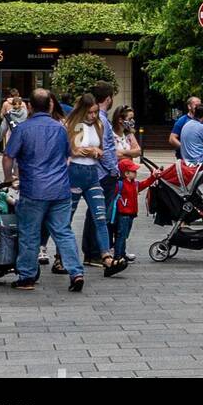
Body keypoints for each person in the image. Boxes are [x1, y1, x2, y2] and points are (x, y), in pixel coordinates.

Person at [3, 88, 86, 292]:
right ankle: (76, 272)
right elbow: (69, 154)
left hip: (33, 189)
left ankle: (27, 276)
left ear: (29, 106)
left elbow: (8, 156)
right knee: (63, 232)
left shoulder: (22, 129)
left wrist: (8, 178)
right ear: (49, 105)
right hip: (59, 189)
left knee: (29, 233)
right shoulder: (60, 128)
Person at [64, 94, 126, 277]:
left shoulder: (99, 125)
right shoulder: (74, 125)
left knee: (100, 216)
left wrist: (92, 153)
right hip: (75, 173)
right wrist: (91, 151)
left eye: (95, 112)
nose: (93, 115)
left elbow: (100, 150)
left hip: (92, 174)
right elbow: (73, 149)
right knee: (67, 216)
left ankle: (106, 256)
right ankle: (62, 256)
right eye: (90, 112)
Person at [83, 82, 121, 266]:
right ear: (108, 98)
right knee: (99, 214)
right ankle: (95, 252)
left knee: (94, 213)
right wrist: (113, 170)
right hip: (104, 173)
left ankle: (91, 251)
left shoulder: (97, 118)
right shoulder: (103, 120)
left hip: (97, 172)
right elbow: (104, 148)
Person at [111, 157, 158, 262]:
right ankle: (118, 255)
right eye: (134, 171)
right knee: (121, 235)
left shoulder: (134, 184)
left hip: (131, 214)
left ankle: (122, 253)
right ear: (126, 173)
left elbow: (143, 184)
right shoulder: (120, 184)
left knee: (124, 235)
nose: (136, 172)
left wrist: (153, 177)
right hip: (123, 214)